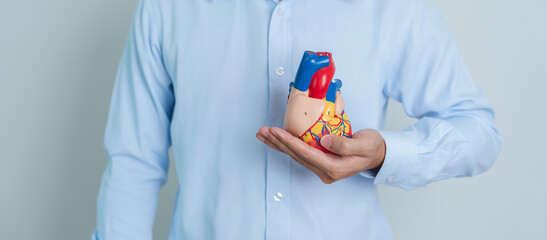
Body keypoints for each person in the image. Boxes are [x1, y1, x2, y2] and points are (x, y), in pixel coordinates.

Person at [92, 0, 502, 239]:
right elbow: (133, 163)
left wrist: (384, 154)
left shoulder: (392, 7)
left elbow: (478, 130)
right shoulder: (168, 7)